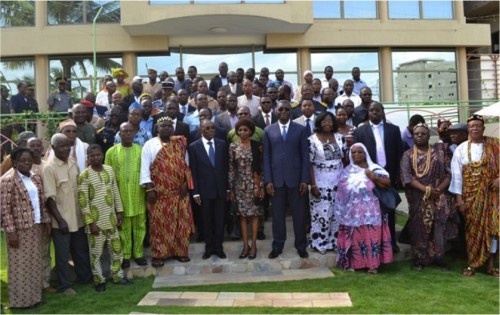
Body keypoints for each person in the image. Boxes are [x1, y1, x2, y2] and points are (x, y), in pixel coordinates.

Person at [401, 123, 458, 271]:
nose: (419, 136)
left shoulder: (439, 153)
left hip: (439, 195)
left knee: (439, 226)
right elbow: (407, 177)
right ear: (413, 136)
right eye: (416, 134)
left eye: (423, 133)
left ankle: (439, 257)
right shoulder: (408, 155)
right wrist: (426, 190)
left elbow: (448, 173)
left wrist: (438, 189)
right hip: (418, 197)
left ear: (428, 135)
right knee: (419, 227)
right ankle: (421, 259)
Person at [1, 147, 51, 309]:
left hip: (36, 226)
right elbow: (5, 209)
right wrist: (11, 232)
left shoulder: (35, 178)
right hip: (19, 230)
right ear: (15, 162)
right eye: (23, 160)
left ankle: (34, 298)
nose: (27, 163)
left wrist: (47, 221)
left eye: (29, 160)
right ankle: (19, 302)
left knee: (34, 263)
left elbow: (42, 202)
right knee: (20, 266)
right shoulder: (7, 180)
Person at [449, 115, 499, 277]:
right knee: (472, 231)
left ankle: (491, 264)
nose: (475, 128)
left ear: (483, 128)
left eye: (478, 125)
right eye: (472, 126)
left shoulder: (495, 145)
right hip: (470, 199)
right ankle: (473, 264)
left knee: (493, 230)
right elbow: (456, 176)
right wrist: (459, 199)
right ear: (468, 130)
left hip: (492, 197)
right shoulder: (461, 149)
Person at [141, 117, 195, 266]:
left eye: (168, 125)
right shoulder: (149, 145)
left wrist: (185, 183)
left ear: (173, 128)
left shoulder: (180, 143)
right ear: (157, 128)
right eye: (162, 126)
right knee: (159, 224)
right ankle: (159, 254)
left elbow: (186, 165)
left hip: (179, 192)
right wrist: (149, 189)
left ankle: (181, 252)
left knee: (181, 223)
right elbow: (145, 169)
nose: (166, 128)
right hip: (159, 193)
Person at [43, 133, 92, 295]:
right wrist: (59, 220)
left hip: (77, 217)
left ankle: (85, 278)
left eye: (67, 146)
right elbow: (49, 198)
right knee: (63, 255)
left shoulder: (72, 162)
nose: (65, 149)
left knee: (80, 250)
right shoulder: (49, 168)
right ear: (53, 147)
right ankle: (65, 285)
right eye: (61, 146)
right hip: (62, 221)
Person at [353, 101, 404, 254]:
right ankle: (373, 242)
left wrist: (397, 175)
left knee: (389, 209)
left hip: (389, 175)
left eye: (377, 110)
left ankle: (391, 244)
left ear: (383, 112)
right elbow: (357, 154)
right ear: (368, 113)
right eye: (371, 111)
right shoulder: (360, 131)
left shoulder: (393, 130)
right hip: (368, 175)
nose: (374, 113)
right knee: (372, 210)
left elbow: (399, 153)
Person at [335, 143, 393, 274]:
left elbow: (387, 183)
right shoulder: (347, 171)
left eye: (359, 152)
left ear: (365, 153)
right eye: (353, 152)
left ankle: (373, 265)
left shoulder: (374, 168)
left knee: (371, 237)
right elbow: (341, 189)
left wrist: (372, 176)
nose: (356, 155)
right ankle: (354, 264)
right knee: (356, 238)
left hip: (372, 211)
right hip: (352, 212)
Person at [78, 144, 130, 291]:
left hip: (111, 219)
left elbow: (115, 191)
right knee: (96, 254)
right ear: (88, 158)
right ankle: (99, 281)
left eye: (98, 155)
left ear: (102, 155)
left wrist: (119, 211)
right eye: (92, 156)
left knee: (117, 250)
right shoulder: (84, 176)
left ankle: (117, 276)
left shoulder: (109, 170)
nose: (96, 158)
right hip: (96, 223)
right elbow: (83, 201)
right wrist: (90, 222)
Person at [263, 100, 310, 259]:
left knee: (299, 215)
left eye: (286, 109)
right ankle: (277, 246)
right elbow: (266, 157)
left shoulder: (301, 130)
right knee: (277, 216)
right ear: (276, 111)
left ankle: (301, 245)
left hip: (296, 180)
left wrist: (305, 179)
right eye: (280, 109)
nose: (283, 111)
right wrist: (268, 181)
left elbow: (305, 156)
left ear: (291, 111)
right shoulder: (269, 130)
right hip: (276, 181)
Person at [105, 122, 147, 269]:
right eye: (125, 131)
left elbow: (146, 173)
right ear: (120, 134)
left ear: (134, 133)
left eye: (130, 131)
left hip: (138, 195)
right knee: (123, 227)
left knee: (140, 226)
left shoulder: (141, 150)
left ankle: (139, 254)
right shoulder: (111, 152)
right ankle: (126, 255)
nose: (128, 134)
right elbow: (107, 176)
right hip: (120, 195)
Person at [189, 119, 229, 260]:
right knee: (206, 221)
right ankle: (209, 248)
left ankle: (218, 248)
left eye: (213, 128)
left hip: (220, 189)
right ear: (201, 130)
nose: (211, 130)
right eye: (207, 128)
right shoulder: (194, 147)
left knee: (219, 220)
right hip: (204, 190)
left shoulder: (222, 144)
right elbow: (193, 171)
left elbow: (226, 167)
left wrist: (228, 189)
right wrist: (195, 192)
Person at [308, 112, 345, 254]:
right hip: (320, 181)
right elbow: (309, 164)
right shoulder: (311, 140)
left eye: (330, 121)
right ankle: (320, 242)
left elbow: (345, 159)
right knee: (322, 214)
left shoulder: (340, 138)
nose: (327, 124)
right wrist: (313, 185)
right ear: (319, 123)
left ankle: (335, 242)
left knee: (337, 213)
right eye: (324, 121)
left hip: (338, 181)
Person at [229, 118, 265, 260]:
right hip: (239, 185)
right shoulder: (233, 147)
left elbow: (261, 167)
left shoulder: (257, 146)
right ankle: (245, 246)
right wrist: (230, 188)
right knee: (243, 216)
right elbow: (231, 168)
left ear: (250, 131)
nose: (243, 132)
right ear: (237, 131)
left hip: (254, 184)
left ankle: (254, 245)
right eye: (240, 130)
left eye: (245, 129)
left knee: (255, 216)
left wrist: (260, 186)